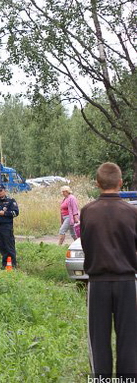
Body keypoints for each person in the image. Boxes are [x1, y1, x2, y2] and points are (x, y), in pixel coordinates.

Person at [81, 162, 137, 378]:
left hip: (98, 282)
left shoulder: (87, 212)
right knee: (129, 340)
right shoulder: (131, 213)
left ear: (97, 184)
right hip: (126, 282)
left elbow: (87, 244)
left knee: (99, 340)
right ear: (120, 183)